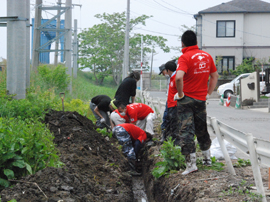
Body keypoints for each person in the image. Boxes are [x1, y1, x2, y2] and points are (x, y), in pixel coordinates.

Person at [174, 30, 219, 175]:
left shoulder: (184, 57)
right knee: (201, 128)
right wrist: (208, 94)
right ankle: (207, 159)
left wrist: (180, 94)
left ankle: (191, 165)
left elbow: (179, 77)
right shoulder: (207, 56)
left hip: (186, 100)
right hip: (201, 99)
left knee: (186, 131)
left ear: (183, 43)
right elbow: (215, 76)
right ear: (196, 42)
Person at [163, 59, 178, 143]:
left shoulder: (176, 78)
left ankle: (174, 143)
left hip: (174, 105)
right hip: (170, 104)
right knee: (169, 124)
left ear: (168, 70)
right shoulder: (172, 78)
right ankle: (168, 141)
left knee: (174, 125)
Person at [158, 63, 170, 142]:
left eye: (163, 72)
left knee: (167, 118)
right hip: (169, 100)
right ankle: (164, 136)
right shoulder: (169, 78)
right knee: (166, 118)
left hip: (172, 101)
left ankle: (165, 137)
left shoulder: (173, 77)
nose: (163, 75)